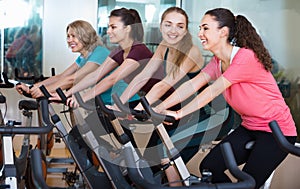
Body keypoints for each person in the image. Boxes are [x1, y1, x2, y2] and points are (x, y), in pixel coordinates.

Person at [155, 8, 297, 189]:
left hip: (277, 132)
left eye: (205, 28)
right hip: (250, 126)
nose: (200, 34)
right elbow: (191, 86)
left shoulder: (245, 57)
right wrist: (160, 108)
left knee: (248, 183)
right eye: (200, 28)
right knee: (210, 167)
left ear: (223, 32)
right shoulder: (217, 61)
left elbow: (213, 90)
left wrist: (179, 113)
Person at [115, 6, 204, 186]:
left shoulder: (192, 51)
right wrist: (120, 103)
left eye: (180, 26)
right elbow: (144, 76)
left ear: (186, 30)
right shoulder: (164, 47)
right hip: (174, 110)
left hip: (198, 114)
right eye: (168, 25)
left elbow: (165, 84)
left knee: (166, 157)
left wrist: (139, 109)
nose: (173, 31)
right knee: (150, 160)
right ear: (161, 26)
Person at [15, 20, 110, 100]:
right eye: (68, 36)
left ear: (85, 36)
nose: (69, 40)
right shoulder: (84, 57)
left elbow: (72, 79)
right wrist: (32, 88)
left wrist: (43, 91)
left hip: (115, 104)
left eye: (73, 36)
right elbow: (61, 77)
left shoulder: (100, 53)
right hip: (101, 103)